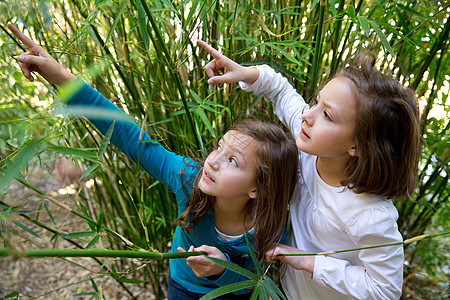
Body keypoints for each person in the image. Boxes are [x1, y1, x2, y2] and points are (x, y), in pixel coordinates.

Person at [8, 24, 300, 299]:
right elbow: (125, 132)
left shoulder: (270, 224)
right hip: (183, 286)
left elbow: (256, 283)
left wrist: (223, 271)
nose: (213, 161)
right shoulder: (188, 177)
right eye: (219, 147)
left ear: (257, 189)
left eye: (233, 161)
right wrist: (60, 76)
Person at [197, 39, 420, 299]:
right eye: (316, 101)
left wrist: (311, 261)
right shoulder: (309, 144)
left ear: (357, 145)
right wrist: (246, 73)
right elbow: (281, 91)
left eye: (327, 115)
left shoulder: (370, 215)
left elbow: (386, 290)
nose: (307, 115)